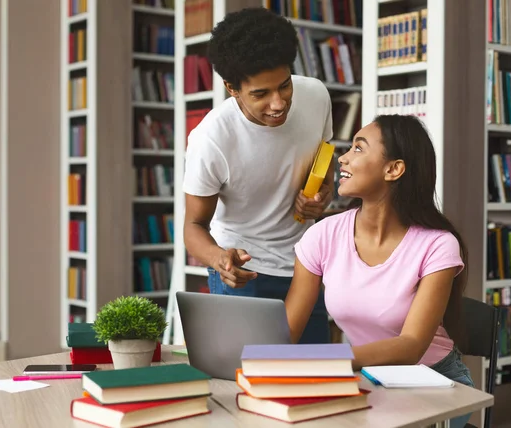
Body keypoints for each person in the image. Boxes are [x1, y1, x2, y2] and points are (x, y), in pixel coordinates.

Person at [285, 114, 474, 428]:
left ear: (394, 169)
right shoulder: (322, 235)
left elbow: (411, 345)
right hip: (366, 379)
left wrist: (330, 360)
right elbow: (287, 330)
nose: (343, 158)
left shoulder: (438, 245)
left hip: (435, 381)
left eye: (359, 149)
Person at [182, 7, 334, 344]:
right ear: (231, 88)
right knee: (247, 383)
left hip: (307, 267)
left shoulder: (316, 96)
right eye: (260, 94)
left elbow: (324, 161)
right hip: (244, 274)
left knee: (315, 379)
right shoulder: (211, 140)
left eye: (284, 85)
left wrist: (324, 190)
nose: (278, 103)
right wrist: (219, 259)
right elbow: (193, 227)